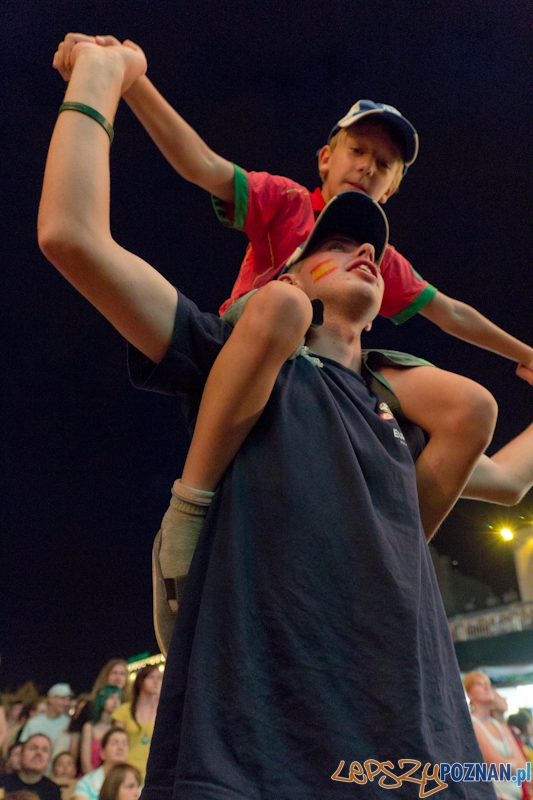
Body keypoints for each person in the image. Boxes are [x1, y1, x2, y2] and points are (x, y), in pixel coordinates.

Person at [37, 39, 502, 797]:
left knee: (471, 403)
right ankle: (189, 510)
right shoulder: (267, 287)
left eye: (369, 247)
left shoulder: (393, 406)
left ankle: (380, 556)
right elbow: (77, 232)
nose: (360, 254)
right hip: (266, 753)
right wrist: (105, 76)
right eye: (336, 243)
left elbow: (507, 477)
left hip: (420, 761)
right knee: (278, 320)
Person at [463, 672, 527, 800]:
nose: (487, 687)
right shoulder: (471, 724)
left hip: (516, 795)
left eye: (487, 684)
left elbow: (523, 766)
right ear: (469, 694)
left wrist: (509, 765)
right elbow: (497, 766)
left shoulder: (500, 725)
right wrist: (514, 765)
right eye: (479, 684)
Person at [111, 670, 161, 783]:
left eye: (159, 678)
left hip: (155, 771)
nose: (156, 681)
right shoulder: (123, 711)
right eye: (151, 677)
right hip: (128, 770)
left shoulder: (164, 711)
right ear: (140, 681)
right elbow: (115, 742)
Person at [20, 687, 72, 768]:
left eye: (68, 699)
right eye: (62, 699)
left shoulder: (69, 723)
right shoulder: (33, 723)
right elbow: (23, 746)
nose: (66, 703)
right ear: (51, 699)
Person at [0, 735, 61, 800]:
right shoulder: (2, 782)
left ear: (49, 760)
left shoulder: (53, 791)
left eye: (45, 750)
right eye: (33, 748)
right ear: (21, 755)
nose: (39, 753)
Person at [73, 730, 128, 800]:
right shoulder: (86, 784)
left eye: (124, 744)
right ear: (102, 752)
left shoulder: (134, 783)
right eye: (115, 743)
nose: (121, 748)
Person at [80, 687, 122, 774]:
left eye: (118, 698)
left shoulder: (119, 728)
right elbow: (85, 762)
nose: (115, 701)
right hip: (91, 778)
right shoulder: (89, 727)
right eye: (111, 697)